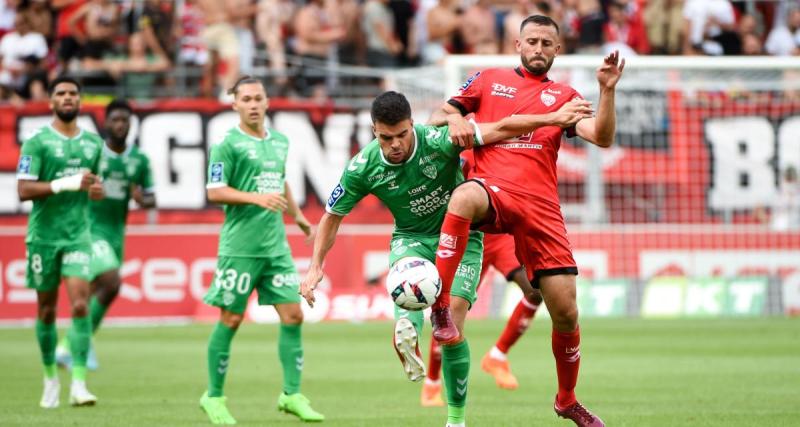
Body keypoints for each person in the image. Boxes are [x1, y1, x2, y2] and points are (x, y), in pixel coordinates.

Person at [300, 90, 592, 427]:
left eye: (402, 135)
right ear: (373, 131)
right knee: (409, 290)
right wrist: (315, 266)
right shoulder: (362, 167)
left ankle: (455, 419)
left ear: (413, 125)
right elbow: (332, 216)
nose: (395, 144)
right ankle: (406, 324)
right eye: (385, 137)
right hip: (410, 239)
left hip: (462, 239)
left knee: (452, 323)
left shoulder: (438, 139)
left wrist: (553, 118)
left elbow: (500, 128)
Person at [427, 14, 624, 427]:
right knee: (463, 195)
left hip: (539, 207)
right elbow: (437, 117)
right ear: (518, 44)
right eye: (531, 41)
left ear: (557, 50)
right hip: (493, 189)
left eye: (546, 43)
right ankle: (441, 306)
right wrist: (458, 117)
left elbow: (601, 137)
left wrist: (606, 91)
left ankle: (567, 400)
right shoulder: (488, 79)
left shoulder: (564, 96)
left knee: (566, 312)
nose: (537, 49)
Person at [198, 76, 323, 425]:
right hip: (240, 248)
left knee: (294, 316)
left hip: (275, 247)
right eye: (246, 99)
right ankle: (214, 397)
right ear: (234, 104)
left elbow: (279, 179)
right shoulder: (226, 145)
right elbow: (215, 190)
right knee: (231, 319)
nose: (253, 104)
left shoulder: (279, 141)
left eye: (258, 98)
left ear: (267, 102)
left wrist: (297, 216)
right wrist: (256, 198)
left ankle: (292, 395)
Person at [421, 150, 542, 407]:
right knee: (448, 313)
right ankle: (431, 384)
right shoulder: (464, 146)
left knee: (535, 291)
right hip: (466, 237)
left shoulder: (507, 143)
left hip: (498, 237)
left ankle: (497, 356)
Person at [16, 75, 105, 408]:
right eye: (61, 93)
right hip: (43, 238)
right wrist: (67, 183)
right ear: (51, 101)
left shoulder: (94, 144)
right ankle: (50, 377)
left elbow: (94, 187)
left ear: (80, 101)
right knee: (47, 309)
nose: (68, 98)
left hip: (77, 236)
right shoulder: (37, 142)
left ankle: (79, 383)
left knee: (81, 304)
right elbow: (24, 190)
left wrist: (96, 190)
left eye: (73, 94)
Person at [54, 99, 156, 371]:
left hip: (115, 234)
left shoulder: (140, 159)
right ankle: (75, 346)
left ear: (131, 124)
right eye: (115, 120)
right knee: (111, 281)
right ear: (106, 123)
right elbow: (72, 184)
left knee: (95, 292)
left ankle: (73, 347)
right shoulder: (94, 154)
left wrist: (141, 199)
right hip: (88, 228)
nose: (120, 125)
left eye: (125, 120)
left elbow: (151, 198)